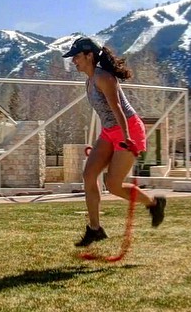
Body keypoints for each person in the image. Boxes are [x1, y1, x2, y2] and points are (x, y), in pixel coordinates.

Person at [62, 37, 166, 247]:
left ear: (89, 55)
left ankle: (154, 203)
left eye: (77, 56)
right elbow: (106, 114)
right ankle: (95, 229)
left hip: (128, 129)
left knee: (113, 185)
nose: (74, 61)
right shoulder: (90, 81)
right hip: (110, 131)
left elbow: (117, 108)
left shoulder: (104, 78)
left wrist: (127, 137)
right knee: (89, 175)